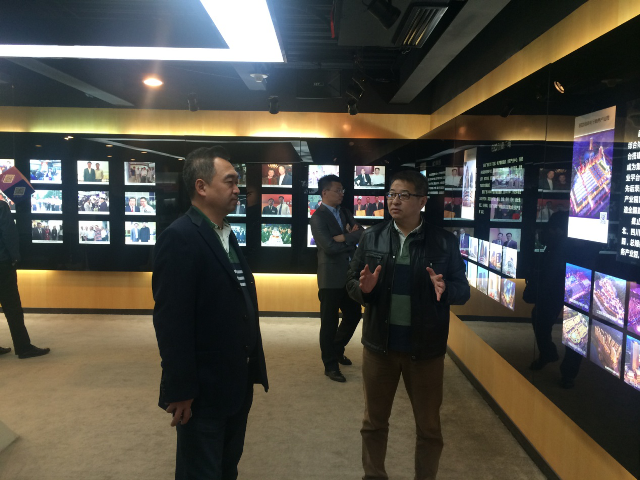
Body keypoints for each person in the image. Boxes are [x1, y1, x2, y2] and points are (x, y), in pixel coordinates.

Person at [152, 146, 268, 479]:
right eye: (230, 181)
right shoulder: (180, 238)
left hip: (234, 381)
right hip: (203, 389)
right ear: (201, 187)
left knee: (226, 467)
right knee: (200, 471)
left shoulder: (224, 234)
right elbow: (172, 322)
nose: (238, 189)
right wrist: (179, 390)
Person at [346, 169, 470, 480]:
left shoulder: (444, 242)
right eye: (391, 194)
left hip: (425, 350)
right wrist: (364, 290)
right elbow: (351, 282)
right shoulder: (371, 237)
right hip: (379, 347)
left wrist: (446, 289)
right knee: (373, 423)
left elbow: (463, 290)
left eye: (403, 195)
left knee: (429, 427)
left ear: (422, 201)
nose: (394, 201)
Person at [310, 175, 363, 382]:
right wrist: (350, 239)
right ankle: (330, 365)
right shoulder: (318, 217)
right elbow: (329, 247)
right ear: (325, 193)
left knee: (354, 315)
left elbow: (361, 234)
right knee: (329, 323)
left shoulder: (345, 212)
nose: (342, 194)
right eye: (338, 190)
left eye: (342, 190)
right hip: (330, 277)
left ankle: (337, 348)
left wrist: (343, 237)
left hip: (350, 274)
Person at [524, 211, 582, 387]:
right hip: (554, 288)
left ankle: (568, 373)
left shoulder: (573, 244)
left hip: (576, 288)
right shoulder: (554, 244)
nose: (548, 231)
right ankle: (548, 354)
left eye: (552, 229)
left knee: (575, 330)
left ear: (560, 230)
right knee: (539, 318)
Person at [0, 200, 50, 359]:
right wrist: (15, 257)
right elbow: (9, 233)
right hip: (2, 263)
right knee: (12, 306)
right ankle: (23, 347)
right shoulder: (1, 206)